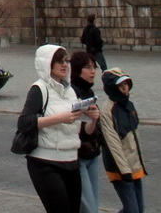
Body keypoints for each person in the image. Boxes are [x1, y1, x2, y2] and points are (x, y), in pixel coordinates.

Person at [18, 44, 99, 213]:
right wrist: (59, 118)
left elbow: (84, 131)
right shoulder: (39, 89)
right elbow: (24, 123)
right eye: (59, 61)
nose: (64, 65)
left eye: (66, 61)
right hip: (45, 162)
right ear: (47, 64)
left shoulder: (71, 92)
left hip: (71, 160)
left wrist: (92, 120)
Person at [97, 68, 146, 213]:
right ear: (112, 88)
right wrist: (124, 171)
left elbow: (135, 136)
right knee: (133, 210)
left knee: (138, 209)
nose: (125, 87)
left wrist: (139, 163)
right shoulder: (107, 110)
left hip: (134, 165)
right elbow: (112, 143)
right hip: (119, 169)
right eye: (120, 85)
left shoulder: (128, 105)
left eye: (126, 83)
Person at [70, 52, 102, 213]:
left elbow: (90, 130)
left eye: (94, 67)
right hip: (79, 157)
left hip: (93, 154)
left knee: (93, 204)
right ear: (77, 70)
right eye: (87, 67)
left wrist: (95, 119)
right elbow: (81, 131)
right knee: (89, 208)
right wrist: (93, 120)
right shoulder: (73, 93)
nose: (93, 71)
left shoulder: (89, 93)